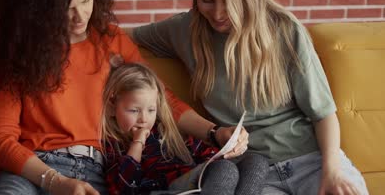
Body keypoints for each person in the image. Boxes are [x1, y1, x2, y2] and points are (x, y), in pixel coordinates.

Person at [0, 0, 247, 194]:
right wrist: (55, 181)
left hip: (93, 169)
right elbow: (0, 138)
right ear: (38, 9)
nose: (80, 17)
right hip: (32, 170)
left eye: (86, 1)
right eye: (66, 8)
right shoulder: (18, 52)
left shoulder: (110, 40)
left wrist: (215, 133)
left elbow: (160, 98)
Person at [131, 0, 369, 195]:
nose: (219, 13)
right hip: (255, 174)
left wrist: (331, 172)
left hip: (313, 161)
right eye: (207, 0)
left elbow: (323, 114)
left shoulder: (284, 29)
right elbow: (121, 38)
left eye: (230, 0)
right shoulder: (185, 30)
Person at [101, 60, 269, 195]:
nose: (144, 119)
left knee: (256, 161)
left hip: (193, 180)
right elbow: (124, 188)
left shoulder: (164, 131)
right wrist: (137, 144)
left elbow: (202, 154)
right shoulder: (112, 144)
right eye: (134, 110)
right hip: (164, 189)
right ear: (112, 107)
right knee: (224, 170)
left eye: (151, 110)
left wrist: (224, 152)